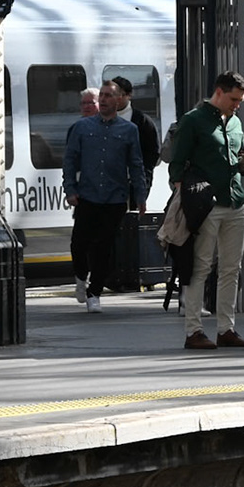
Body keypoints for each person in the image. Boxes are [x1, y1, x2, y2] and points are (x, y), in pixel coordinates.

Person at [173, 71, 244, 350]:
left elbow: (239, 166)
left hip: (234, 199)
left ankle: (226, 328)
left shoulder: (235, 123)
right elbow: (177, 162)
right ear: (218, 92)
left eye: (240, 100)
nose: (237, 105)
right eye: (233, 99)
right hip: (205, 202)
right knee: (201, 266)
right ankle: (193, 330)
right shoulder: (193, 120)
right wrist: (184, 196)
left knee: (232, 267)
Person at [63, 78, 147, 314]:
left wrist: (140, 196)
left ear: (119, 99)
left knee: (104, 247)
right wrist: (70, 189)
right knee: (79, 242)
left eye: (109, 95)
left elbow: (136, 164)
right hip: (87, 195)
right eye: (102, 95)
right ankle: (81, 277)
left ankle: (95, 293)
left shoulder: (129, 130)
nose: (104, 99)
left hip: (115, 197)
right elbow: (70, 160)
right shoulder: (82, 128)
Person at [109, 74, 162, 190]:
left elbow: (153, 151)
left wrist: (144, 173)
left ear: (129, 95)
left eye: (120, 95)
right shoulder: (101, 119)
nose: (115, 99)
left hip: (135, 182)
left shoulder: (142, 121)